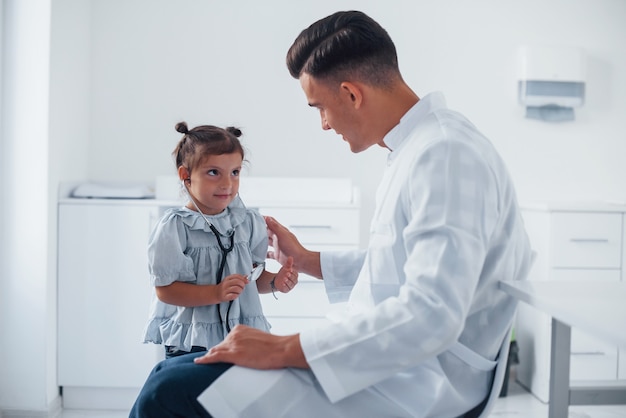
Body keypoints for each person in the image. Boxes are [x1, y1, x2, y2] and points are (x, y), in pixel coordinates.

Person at [130, 10, 533, 418]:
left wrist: (286, 347)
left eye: (319, 106)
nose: (324, 124)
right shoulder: (422, 148)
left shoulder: (445, 155)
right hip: (384, 362)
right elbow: (401, 267)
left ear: (352, 94)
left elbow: (432, 313)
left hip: (413, 382)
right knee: (168, 371)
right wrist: (305, 260)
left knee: (167, 392)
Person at [141, 121, 298, 359]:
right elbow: (166, 290)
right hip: (192, 338)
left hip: (241, 334)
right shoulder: (175, 227)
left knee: (235, 393)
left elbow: (250, 280)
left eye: (235, 172)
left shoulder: (247, 223)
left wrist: (276, 282)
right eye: (213, 172)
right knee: (192, 393)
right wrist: (215, 293)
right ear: (186, 176)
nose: (227, 184)